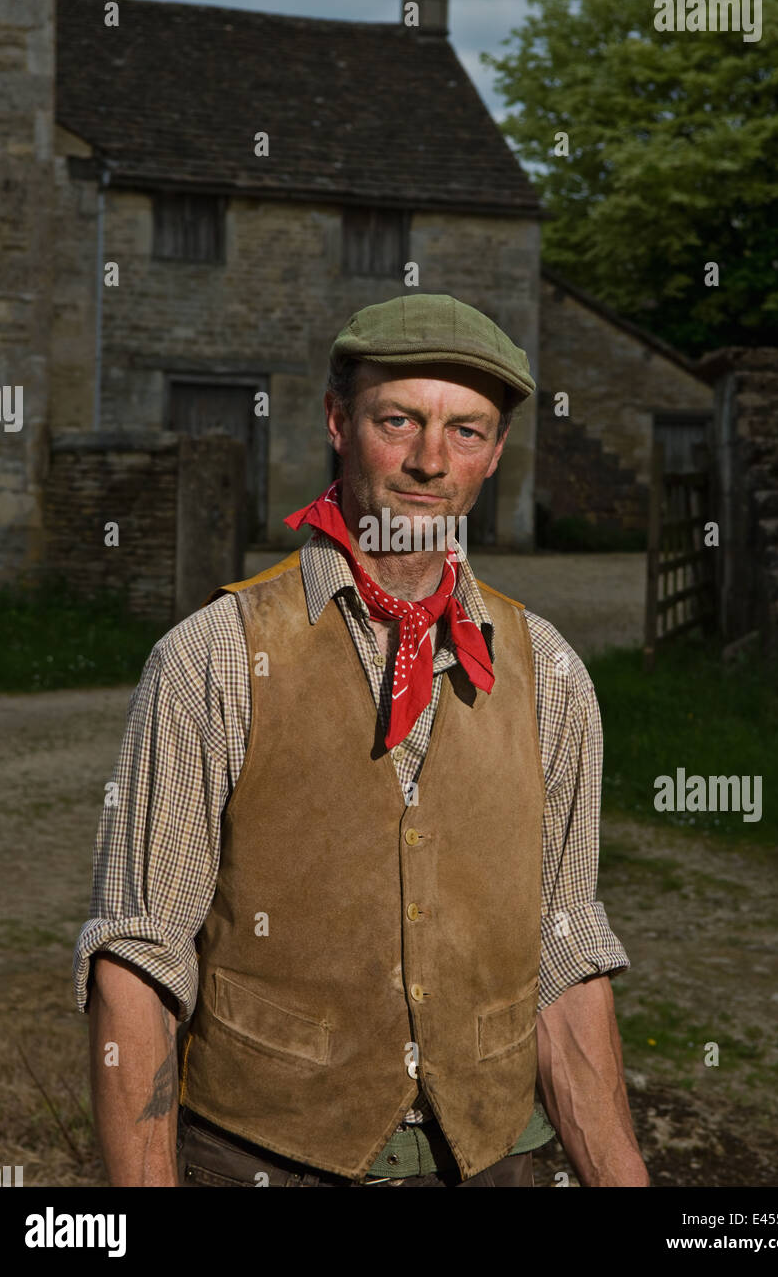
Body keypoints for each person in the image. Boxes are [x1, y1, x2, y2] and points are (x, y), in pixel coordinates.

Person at [75, 292, 649, 1188]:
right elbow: (138, 965)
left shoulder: (552, 675)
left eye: (466, 431)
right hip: (266, 1163)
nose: (430, 460)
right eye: (399, 420)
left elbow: (565, 959)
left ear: (495, 454)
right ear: (340, 422)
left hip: (498, 1163)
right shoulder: (215, 657)